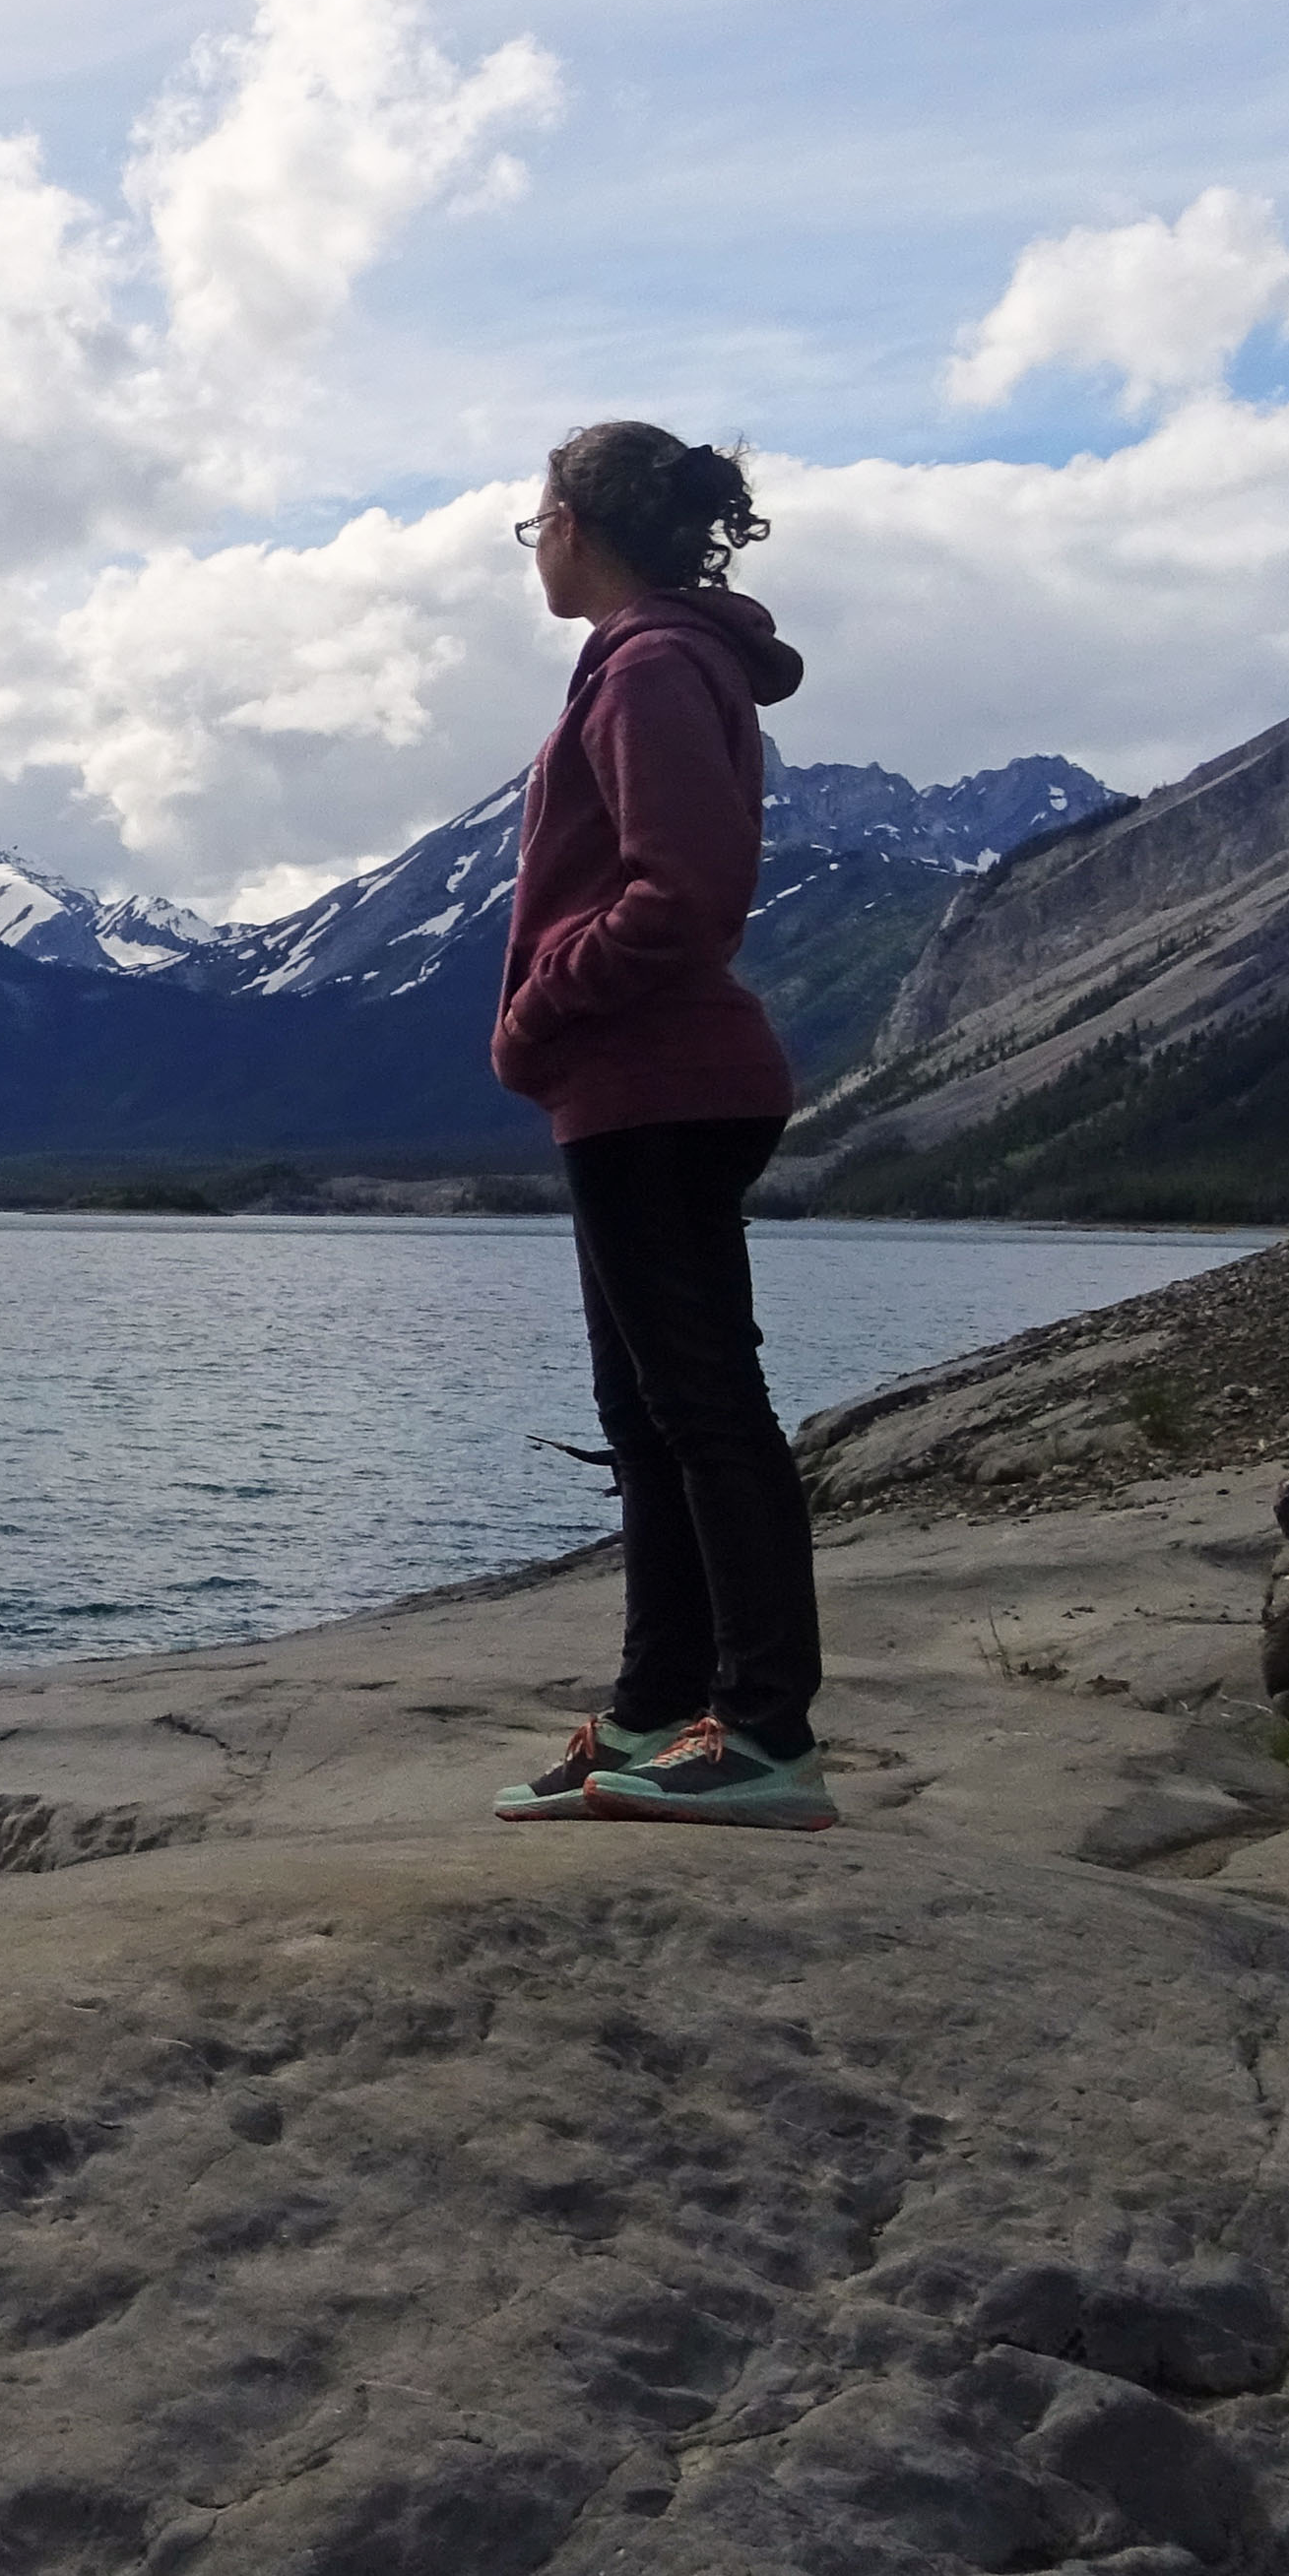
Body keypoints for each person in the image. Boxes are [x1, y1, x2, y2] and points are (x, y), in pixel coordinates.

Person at [483, 422, 838, 1835]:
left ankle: (762, 1734)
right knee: (650, 1416)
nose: (535, 545)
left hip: (658, 1085)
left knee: (701, 1410)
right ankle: (655, 1713)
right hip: (635, 1090)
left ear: (580, 523)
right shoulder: (654, 663)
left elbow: (681, 893)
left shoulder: (648, 668)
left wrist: (538, 1014)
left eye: (537, 519)